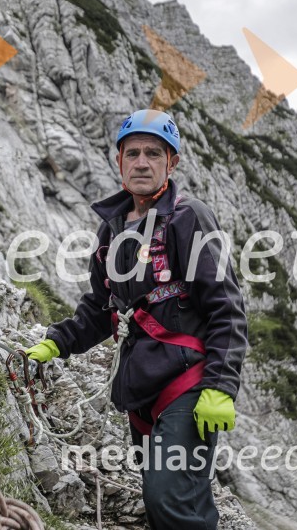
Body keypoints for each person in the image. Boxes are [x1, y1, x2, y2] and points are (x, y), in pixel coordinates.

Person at [26, 109, 248, 529]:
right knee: (167, 500)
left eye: (153, 153)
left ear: (172, 162)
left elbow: (226, 307)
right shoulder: (110, 231)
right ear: (119, 161)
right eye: (133, 153)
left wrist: (220, 388)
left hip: (189, 387)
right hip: (141, 395)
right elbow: (100, 308)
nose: (142, 162)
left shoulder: (189, 218)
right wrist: (57, 341)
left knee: (169, 496)